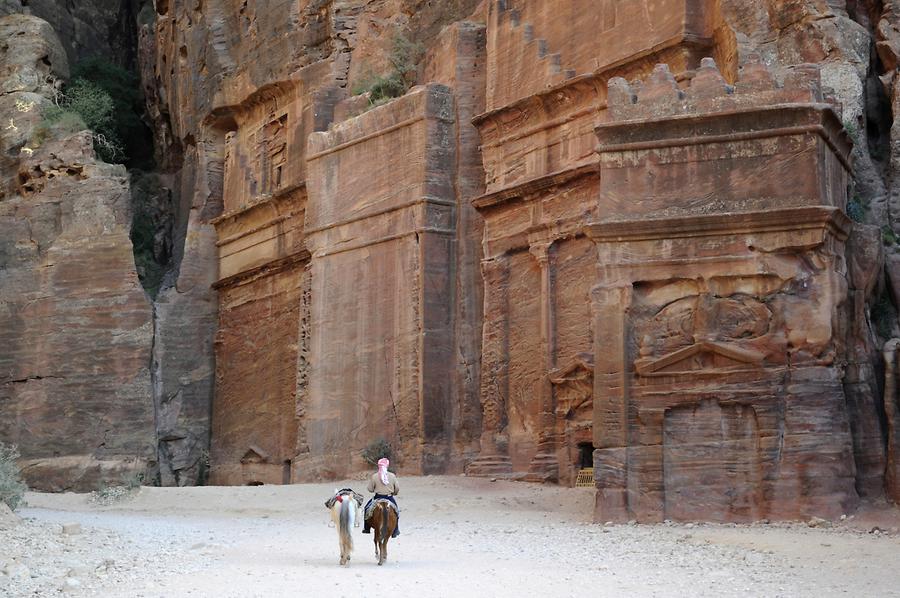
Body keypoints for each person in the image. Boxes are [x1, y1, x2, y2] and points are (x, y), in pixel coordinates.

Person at [362, 457, 399, 537]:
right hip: (389, 498)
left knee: (366, 509)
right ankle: (396, 529)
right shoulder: (392, 476)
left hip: (377, 498)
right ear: (387, 466)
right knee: (396, 511)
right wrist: (394, 493)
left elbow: (370, 489)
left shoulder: (374, 476)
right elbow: (397, 489)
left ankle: (366, 528)